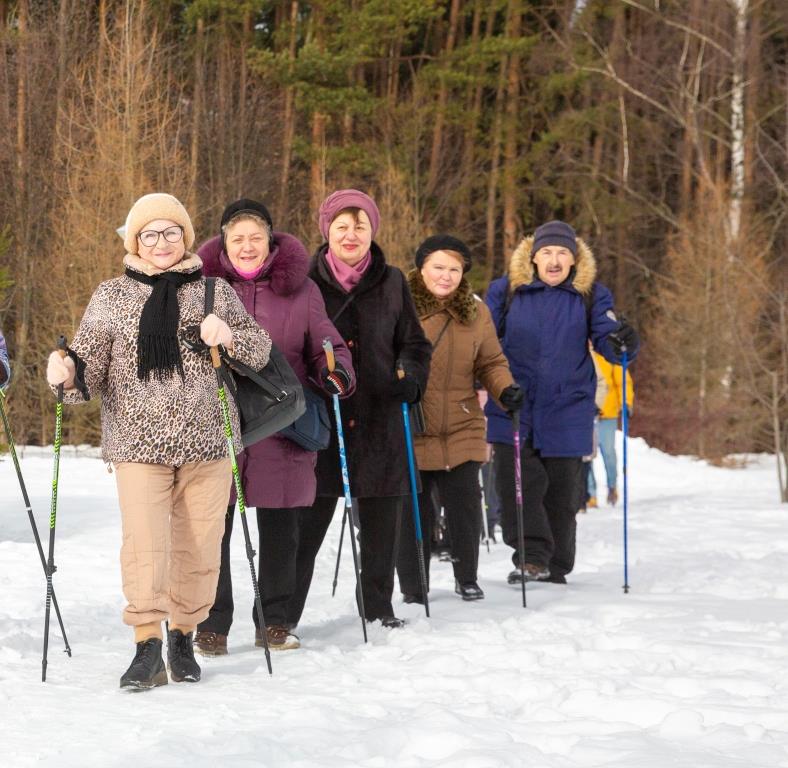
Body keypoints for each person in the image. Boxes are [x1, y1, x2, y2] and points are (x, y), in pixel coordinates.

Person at [44, 193, 271, 690]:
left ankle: (183, 637)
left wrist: (228, 336)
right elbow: (87, 370)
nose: (161, 243)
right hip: (136, 443)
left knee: (200, 546)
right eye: (149, 234)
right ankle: (147, 644)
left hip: (208, 442)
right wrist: (64, 373)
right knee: (145, 545)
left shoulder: (215, 291)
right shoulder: (111, 296)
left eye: (171, 232)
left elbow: (259, 351)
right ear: (134, 241)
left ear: (186, 238)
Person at [193, 198, 355, 654]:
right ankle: (211, 621)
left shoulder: (301, 290)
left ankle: (276, 620)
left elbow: (328, 343)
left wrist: (336, 370)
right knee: (212, 527)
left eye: (255, 238)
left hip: (283, 422)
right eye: (237, 238)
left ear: (270, 241)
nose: (247, 247)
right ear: (224, 241)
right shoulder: (201, 288)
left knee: (283, 526)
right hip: (217, 423)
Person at [291, 189, 432, 629]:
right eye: (342, 227)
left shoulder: (392, 281)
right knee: (304, 533)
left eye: (361, 226)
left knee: (380, 531)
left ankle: (377, 609)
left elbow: (414, 343)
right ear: (326, 231)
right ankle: (281, 616)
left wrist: (410, 374)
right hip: (320, 424)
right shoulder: (303, 281)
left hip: (380, 422)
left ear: (373, 231)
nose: (351, 235)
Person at [485, 220, 639, 585]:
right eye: (547, 253)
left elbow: (607, 338)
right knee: (518, 485)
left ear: (573, 260)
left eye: (562, 254)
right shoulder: (506, 291)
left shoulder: (591, 295)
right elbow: (484, 341)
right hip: (514, 404)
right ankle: (531, 557)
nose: (554, 261)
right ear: (533, 257)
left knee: (561, 492)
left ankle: (557, 565)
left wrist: (623, 341)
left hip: (567, 406)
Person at [396, 235, 520, 602]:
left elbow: (491, 362)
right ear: (421, 269)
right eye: (438, 267)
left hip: (462, 423)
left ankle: (467, 576)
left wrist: (505, 389)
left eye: (454, 269)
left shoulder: (476, 311)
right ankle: (413, 585)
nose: (446, 276)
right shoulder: (397, 306)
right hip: (411, 423)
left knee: (466, 506)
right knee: (413, 511)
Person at [591, 349, 635, 505]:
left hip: (607, 413)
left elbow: (623, 381)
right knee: (586, 455)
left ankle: (612, 486)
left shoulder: (609, 354)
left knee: (608, 452)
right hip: (587, 413)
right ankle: (590, 494)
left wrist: (626, 402)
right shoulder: (582, 352)